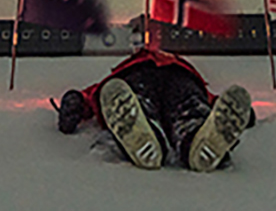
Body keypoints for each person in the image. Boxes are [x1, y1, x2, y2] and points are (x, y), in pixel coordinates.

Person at [53, 47, 254, 171]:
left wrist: (232, 111)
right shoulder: (139, 63)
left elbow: (93, 92)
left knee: (183, 104)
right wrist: (76, 101)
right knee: (187, 106)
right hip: (168, 78)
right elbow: (97, 93)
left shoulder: (133, 63)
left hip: (171, 78)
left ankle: (196, 137)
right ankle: (189, 137)